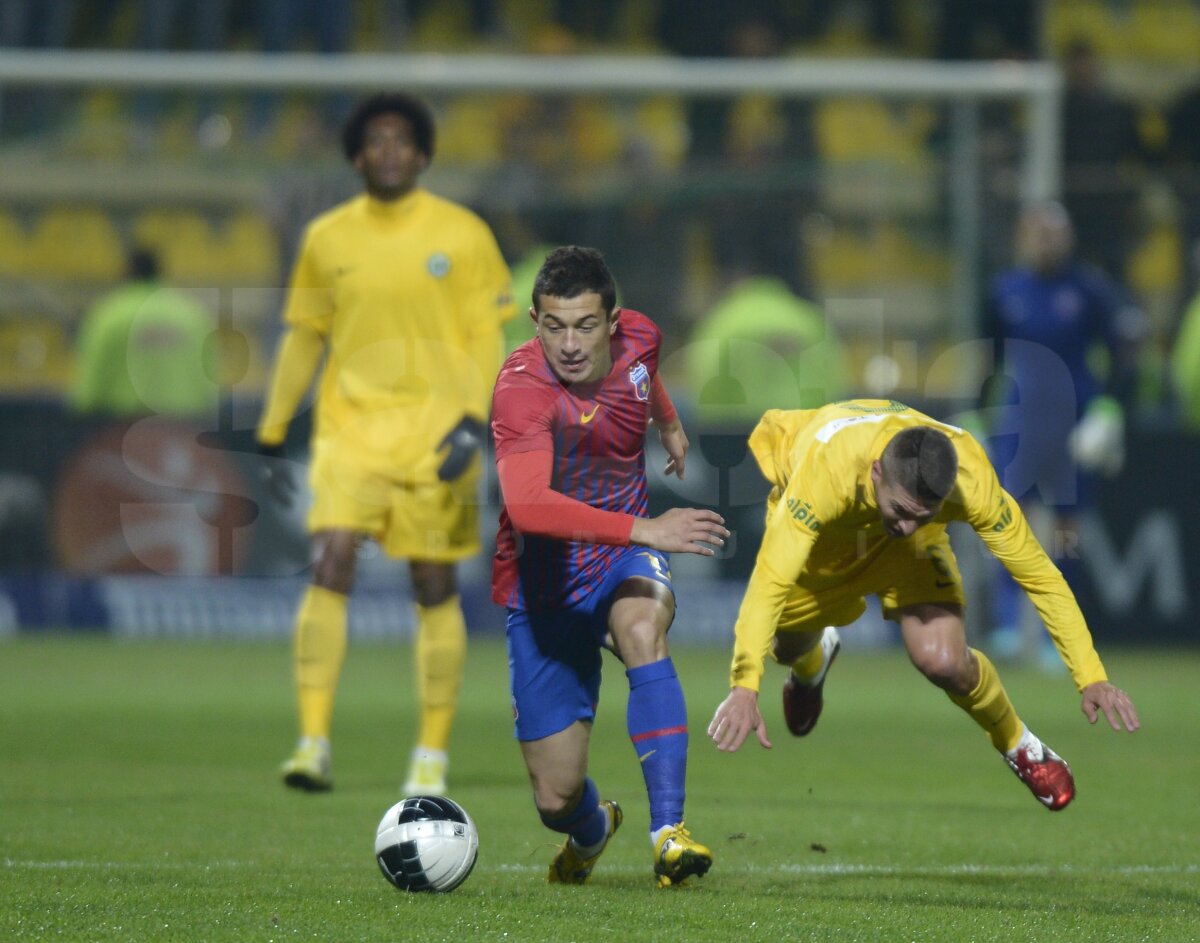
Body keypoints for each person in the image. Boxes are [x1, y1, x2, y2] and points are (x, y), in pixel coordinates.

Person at [255, 92, 517, 795]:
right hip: (351, 431)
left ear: (424, 154)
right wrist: (273, 426)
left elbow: (484, 336)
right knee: (331, 559)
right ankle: (312, 741)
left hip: (437, 437)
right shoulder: (327, 237)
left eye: (404, 140)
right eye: (377, 140)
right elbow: (305, 335)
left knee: (432, 585)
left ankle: (430, 754)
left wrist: (473, 420)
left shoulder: (461, 234)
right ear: (356, 156)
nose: (391, 150)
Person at [707, 399, 1140, 813]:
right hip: (828, 539)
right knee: (786, 648)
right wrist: (745, 686)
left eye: (924, 513)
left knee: (944, 660)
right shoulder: (826, 471)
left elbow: (1041, 577)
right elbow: (770, 580)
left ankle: (1018, 744)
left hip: (911, 554)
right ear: (876, 472)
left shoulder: (969, 480)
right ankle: (812, 663)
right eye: (901, 509)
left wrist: (1091, 678)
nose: (908, 524)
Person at [491, 246, 729, 886]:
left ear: (614, 320)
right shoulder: (520, 392)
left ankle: (668, 834)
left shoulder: (642, 337)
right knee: (555, 798)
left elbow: (646, 375)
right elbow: (530, 506)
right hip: (543, 587)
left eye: (585, 325)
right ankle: (594, 827)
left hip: (621, 557)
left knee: (641, 628)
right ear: (535, 320)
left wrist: (670, 424)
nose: (568, 343)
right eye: (553, 325)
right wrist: (650, 526)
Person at [984, 202, 1145, 668]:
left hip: (1071, 421)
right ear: (1023, 238)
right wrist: (978, 414)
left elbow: (1122, 352)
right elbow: (988, 358)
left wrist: (1110, 407)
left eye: (1055, 233)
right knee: (1010, 519)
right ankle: (1010, 622)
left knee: (1066, 532)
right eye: (1039, 233)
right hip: (1019, 418)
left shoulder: (1091, 291)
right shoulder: (1003, 291)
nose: (1047, 242)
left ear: (1069, 237)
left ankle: (1061, 634)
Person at [70, 247, 217, 419]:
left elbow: (89, 387)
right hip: (183, 428)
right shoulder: (192, 315)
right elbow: (212, 385)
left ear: (126, 272)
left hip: (123, 428)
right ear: (160, 272)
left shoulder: (109, 316)